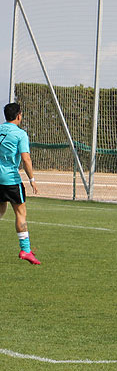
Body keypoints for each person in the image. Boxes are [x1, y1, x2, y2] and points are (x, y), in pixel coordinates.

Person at [0, 103, 40, 265]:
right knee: (20, 213)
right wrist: (32, 180)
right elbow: (26, 159)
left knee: (1, 209)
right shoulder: (20, 134)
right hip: (10, 180)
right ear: (18, 116)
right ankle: (25, 250)